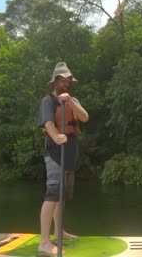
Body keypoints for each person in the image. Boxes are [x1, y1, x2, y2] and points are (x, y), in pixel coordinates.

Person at [37, 62, 89, 255]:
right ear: (55, 82)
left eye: (68, 80)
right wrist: (56, 136)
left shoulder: (73, 99)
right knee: (53, 193)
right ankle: (44, 242)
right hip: (55, 152)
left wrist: (70, 102)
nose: (66, 83)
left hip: (71, 151)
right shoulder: (47, 101)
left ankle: (59, 232)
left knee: (62, 196)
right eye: (62, 80)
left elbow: (84, 118)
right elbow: (49, 123)